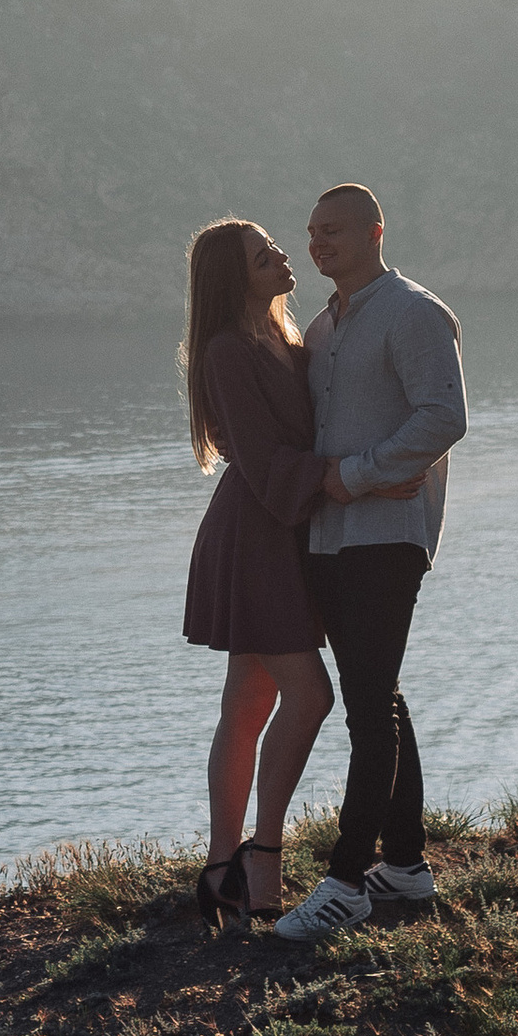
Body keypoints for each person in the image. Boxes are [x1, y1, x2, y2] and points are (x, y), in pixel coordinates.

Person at [274, 183, 468, 942]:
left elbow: (444, 417)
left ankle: (348, 880)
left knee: (366, 710)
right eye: (314, 232)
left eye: (336, 231)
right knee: (378, 693)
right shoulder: (323, 326)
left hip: (386, 537)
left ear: (376, 232)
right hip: (329, 540)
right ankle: (408, 865)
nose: (320, 244)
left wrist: (360, 474)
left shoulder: (414, 312)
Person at [178, 215, 335, 932]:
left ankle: (218, 868)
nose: (279, 256)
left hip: (285, 534)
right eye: (260, 254)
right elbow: (268, 465)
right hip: (255, 535)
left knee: (248, 699)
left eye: (273, 245)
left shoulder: (291, 340)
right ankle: (261, 855)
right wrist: (349, 478)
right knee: (309, 697)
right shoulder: (226, 353)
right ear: (233, 277)